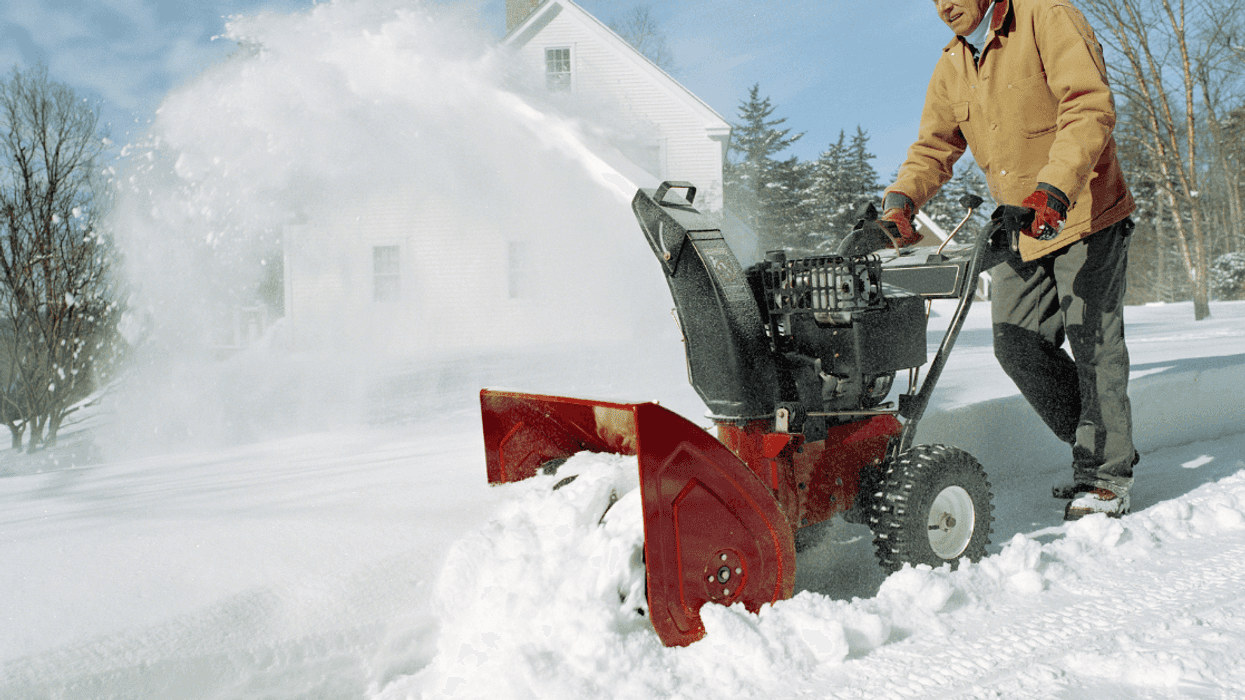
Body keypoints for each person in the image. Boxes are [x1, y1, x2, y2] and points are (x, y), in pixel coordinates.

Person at [876, 0, 1137, 520]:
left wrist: (1055, 187)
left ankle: (1106, 476)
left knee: (1095, 341)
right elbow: (933, 148)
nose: (945, 5)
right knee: (1016, 343)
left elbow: (1089, 106)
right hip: (1023, 224)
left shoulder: (1046, 16)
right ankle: (1098, 444)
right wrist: (902, 200)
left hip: (1083, 208)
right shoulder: (952, 64)